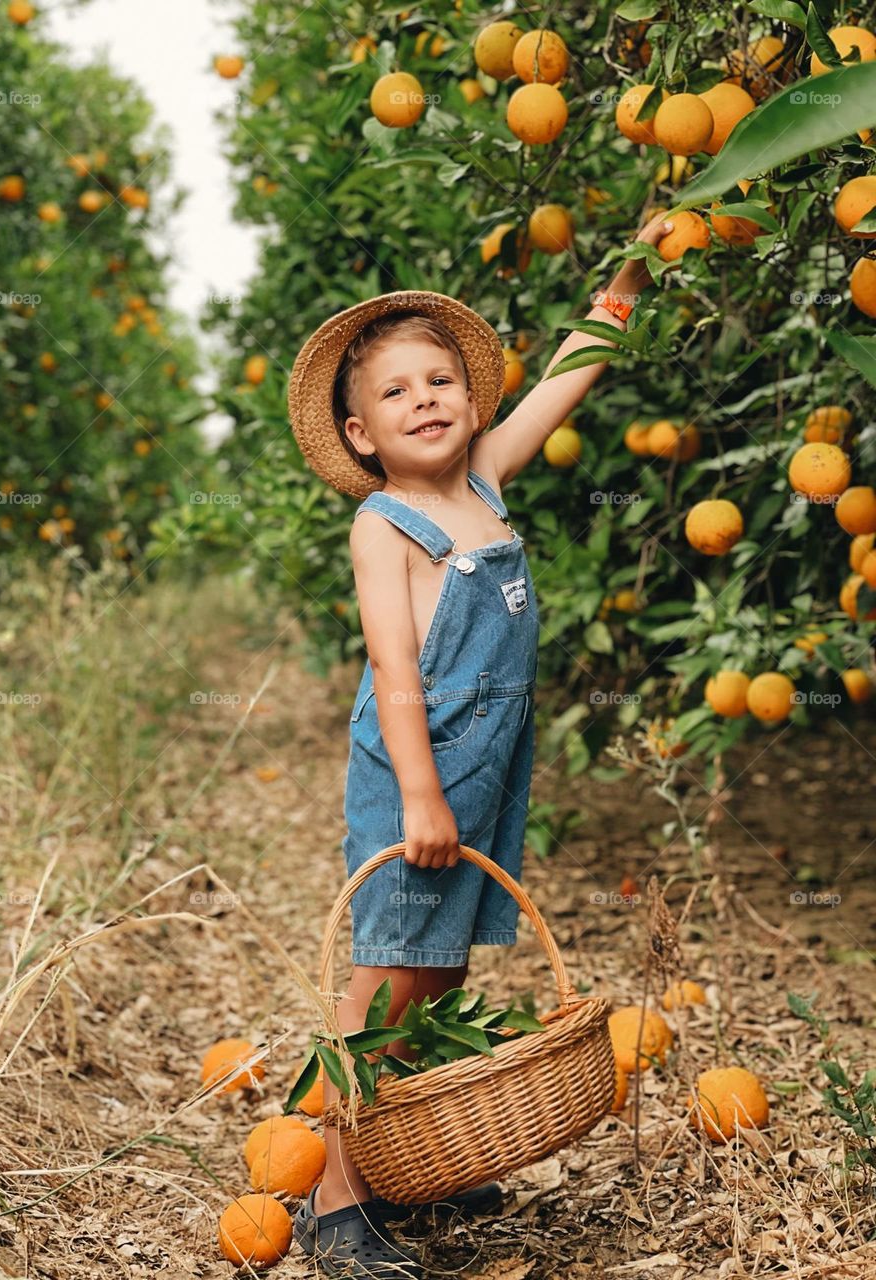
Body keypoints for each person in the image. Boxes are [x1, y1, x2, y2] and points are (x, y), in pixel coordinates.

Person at [286, 211, 672, 1278]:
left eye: (440, 381)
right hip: (419, 768)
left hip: (488, 764)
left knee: (443, 971)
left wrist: (628, 284)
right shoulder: (388, 525)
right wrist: (420, 793)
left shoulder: (486, 478)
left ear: (470, 400)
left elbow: (565, 379)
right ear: (361, 434)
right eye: (397, 392)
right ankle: (333, 1191)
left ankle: (421, 1154)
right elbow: (396, 676)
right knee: (386, 978)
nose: (425, 401)